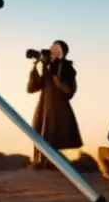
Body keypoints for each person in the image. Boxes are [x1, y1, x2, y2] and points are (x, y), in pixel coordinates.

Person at [27, 40, 83, 168]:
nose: (53, 51)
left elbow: (68, 90)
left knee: (53, 134)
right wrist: (35, 68)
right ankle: (39, 162)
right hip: (44, 105)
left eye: (57, 50)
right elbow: (32, 88)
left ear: (63, 53)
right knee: (39, 133)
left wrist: (55, 76)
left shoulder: (68, 68)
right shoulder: (47, 66)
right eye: (52, 49)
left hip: (58, 108)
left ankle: (51, 163)